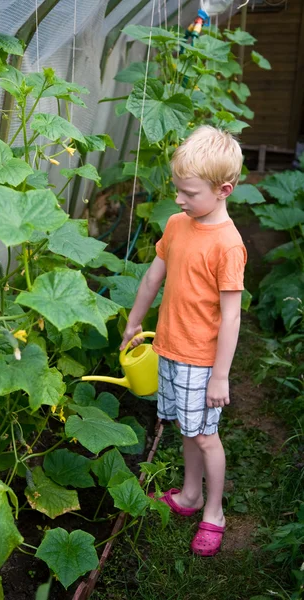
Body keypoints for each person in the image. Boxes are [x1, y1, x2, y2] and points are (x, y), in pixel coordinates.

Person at [120, 125, 247, 557]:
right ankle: (191, 496)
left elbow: (231, 315)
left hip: (200, 359)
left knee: (206, 436)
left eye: (188, 192)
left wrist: (220, 376)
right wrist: (135, 320)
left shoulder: (228, 245)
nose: (179, 199)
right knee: (185, 429)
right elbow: (154, 276)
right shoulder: (178, 224)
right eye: (177, 190)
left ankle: (214, 512)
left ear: (223, 189)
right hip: (169, 349)